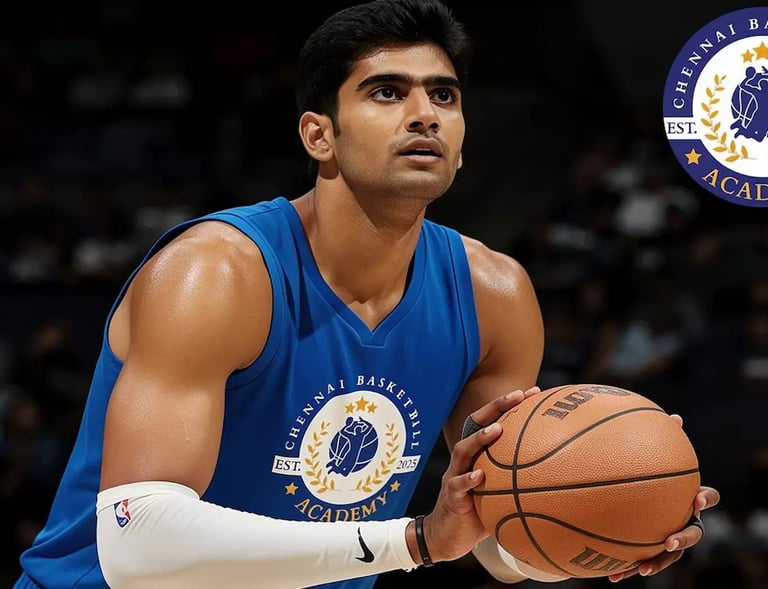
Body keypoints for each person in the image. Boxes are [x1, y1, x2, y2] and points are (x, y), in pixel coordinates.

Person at [15, 1, 719, 588]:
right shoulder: (217, 272)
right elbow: (138, 539)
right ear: (318, 134)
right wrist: (412, 538)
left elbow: (498, 535)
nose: (425, 114)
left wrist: (614, 524)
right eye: (388, 92)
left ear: (465, 141)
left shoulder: (494, 292)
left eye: (443, 94)